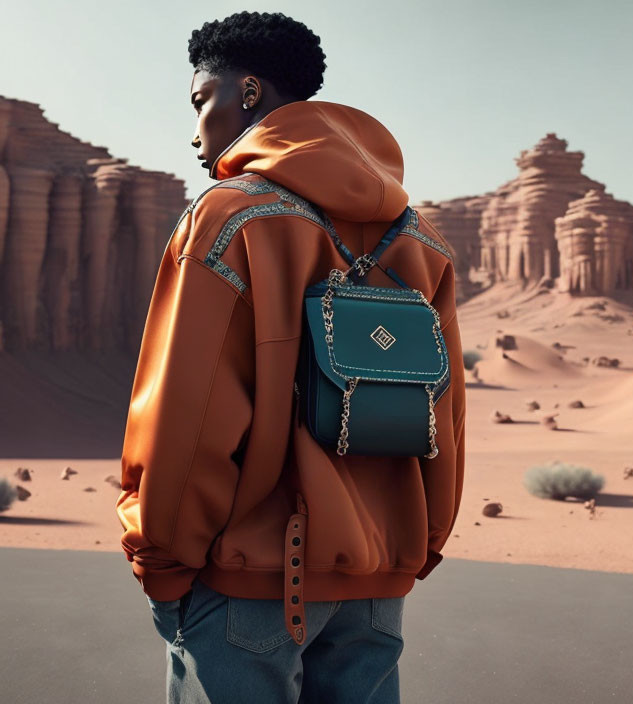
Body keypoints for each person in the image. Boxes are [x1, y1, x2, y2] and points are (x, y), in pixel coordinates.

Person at [116, 10, 466, 703]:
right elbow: (444, 419)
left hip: (247, 582)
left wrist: (160, 561)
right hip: (376, 590)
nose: (195, 130)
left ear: (247, 92)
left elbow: (188, 419)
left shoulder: (226, 217)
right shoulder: (423, 240)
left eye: (201, 101)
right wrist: (414, 549)